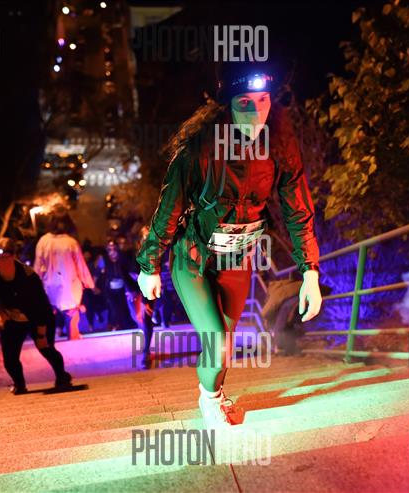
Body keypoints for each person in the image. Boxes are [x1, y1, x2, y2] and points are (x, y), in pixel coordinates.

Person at [136, 62, 323, 428]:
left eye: (263, 100)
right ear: (227, 106)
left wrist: (310, 272)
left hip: (237, 259)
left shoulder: (279, 148)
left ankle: (216, 391)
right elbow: (169, 208)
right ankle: (209, 399)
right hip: (193, 259)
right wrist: (149, 266)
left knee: (224, 344)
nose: (256, 112)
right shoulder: (198, 152)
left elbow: (298, 210)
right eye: (244, 103)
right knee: (217, 341)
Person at [0, 238, 73, 394]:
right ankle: (19, 384)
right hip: (14, 318)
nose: (0, 262)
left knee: (45, 348)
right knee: (9, 357)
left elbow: (41, 307)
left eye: (4, 257)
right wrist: (1, 314)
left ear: (13, 256)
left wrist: (41, 333)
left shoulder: (29, 276)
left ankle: (62, 376)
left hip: (38, 316)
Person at [34, 210, 94, 339]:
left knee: (50, 315)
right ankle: (73, 337)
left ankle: (50, 339)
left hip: (50, 285)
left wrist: (34, 284)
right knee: (71, 315)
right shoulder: (71, 242)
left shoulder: (43, 241)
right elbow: (80, 264)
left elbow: (38, 265)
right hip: (70, 285)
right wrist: (87, 282)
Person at [100, 240, 139, 331]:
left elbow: (129, 271)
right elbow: (98, 272)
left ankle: (125, 325)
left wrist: (135, 277)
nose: (112, 251)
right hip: (110, 289)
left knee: (123, 307)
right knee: (113, 308)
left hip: (122, 288)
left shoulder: (122, 258)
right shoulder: (104, 259)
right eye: (110, 249)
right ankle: (114, 325)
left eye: (114, 248)